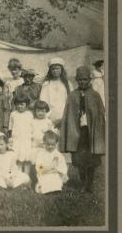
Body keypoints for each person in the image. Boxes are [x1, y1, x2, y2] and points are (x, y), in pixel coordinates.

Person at [59, 65, 106, 193]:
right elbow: (68, 114)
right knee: (80, 159)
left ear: (89, 80)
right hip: (78, 132)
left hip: (90, 133)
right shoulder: (73, 95)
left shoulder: (95, 95)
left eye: (85, 80)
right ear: (76, 80)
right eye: (80, 80)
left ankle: (89, 185)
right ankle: (82, 182)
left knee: (91, 159)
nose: (83, 82)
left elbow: (100, 113)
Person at [39, 57, 73, 126]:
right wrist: (47, 114)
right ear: (50, 71)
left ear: (61, 70)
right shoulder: (47, 84)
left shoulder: (67, 83)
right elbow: (43, 100)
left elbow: (71, 99)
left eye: (57, 68)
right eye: (53, 69)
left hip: (64, 113)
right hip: (50, 114)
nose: (55, 71)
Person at [8, 94, 33, 175]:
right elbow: (10, 127)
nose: (19, 106)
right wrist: (11, 138)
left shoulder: (29, 114)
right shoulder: (13, 114)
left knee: (26, 159)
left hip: (26, 140)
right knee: (17, 158)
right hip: (16, 140)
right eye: (17, 104)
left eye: (22, 104)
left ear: (26, 105)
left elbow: (33, 127)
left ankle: (26, 176)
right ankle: (18, 176)